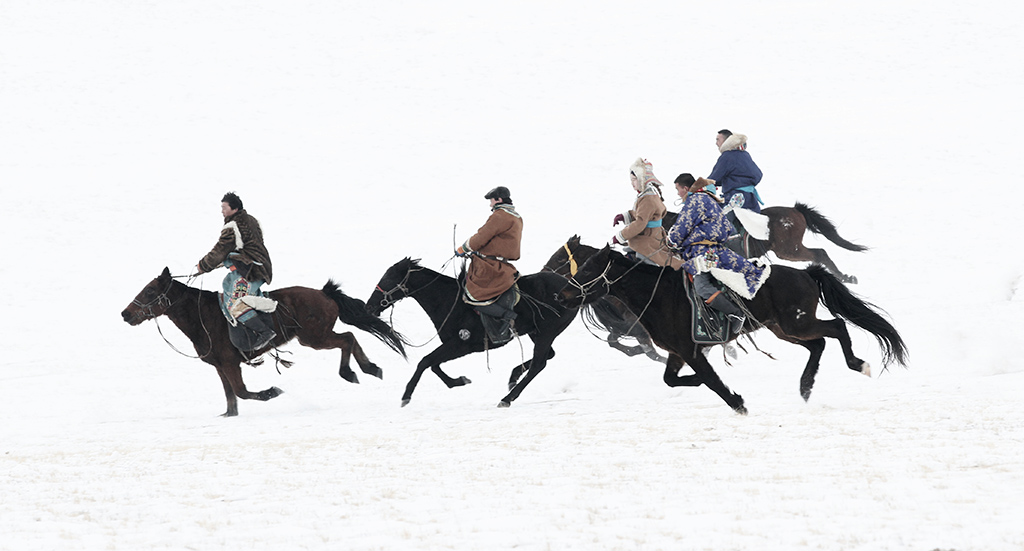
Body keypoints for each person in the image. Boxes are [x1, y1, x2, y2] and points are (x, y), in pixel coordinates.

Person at [667, 173, 771, 332]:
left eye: (678, 189)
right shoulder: (711, 201)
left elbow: (683, 226)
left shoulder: (694, 200)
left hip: (704, 252)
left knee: (701, 285)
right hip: (716, 249)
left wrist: (672, 240)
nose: (677, 193)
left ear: (686, 189)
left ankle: (734, 314)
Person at [195, 192, 277, 351]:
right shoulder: (252, 220)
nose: (222, 211)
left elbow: (220, 251)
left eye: (224, 207)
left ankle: (264, 332)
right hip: (258, 266)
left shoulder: (232, 227)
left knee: (235, 304)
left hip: (251, 271)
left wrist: (202, 266)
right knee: (227, 285)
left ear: (234, 208)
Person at [455, 186, 523, 344]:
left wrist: (463, 248)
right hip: (502, 264)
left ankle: (506, 316)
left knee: (472, 297)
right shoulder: (516, 216)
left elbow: (482, 236)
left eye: (491, 201)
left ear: (499, 199)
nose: (490, 205)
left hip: (490, 267)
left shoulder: (500, 216)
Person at [611, 158, 683, 269]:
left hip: (650, 236)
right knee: (631, 248)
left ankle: (651, 274)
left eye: (634, 179)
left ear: (642, 179)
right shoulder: (646, 194)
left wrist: (621, 236)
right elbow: (642, 214)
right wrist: (626, 216)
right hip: (649, 233)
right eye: (631, 180)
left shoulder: (647, 198)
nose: (632, 183)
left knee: (644, 254)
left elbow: (641, 222)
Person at [708, 129, 763, 232]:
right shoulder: (745, 155)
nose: (716, 143)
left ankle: (733, 243)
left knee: (718, 221)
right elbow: (758, 174)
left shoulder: (727, 156)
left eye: (718, 140)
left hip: (735, 198)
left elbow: (714, 179)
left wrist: (699, 187)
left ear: (726, 141)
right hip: (750, 199)